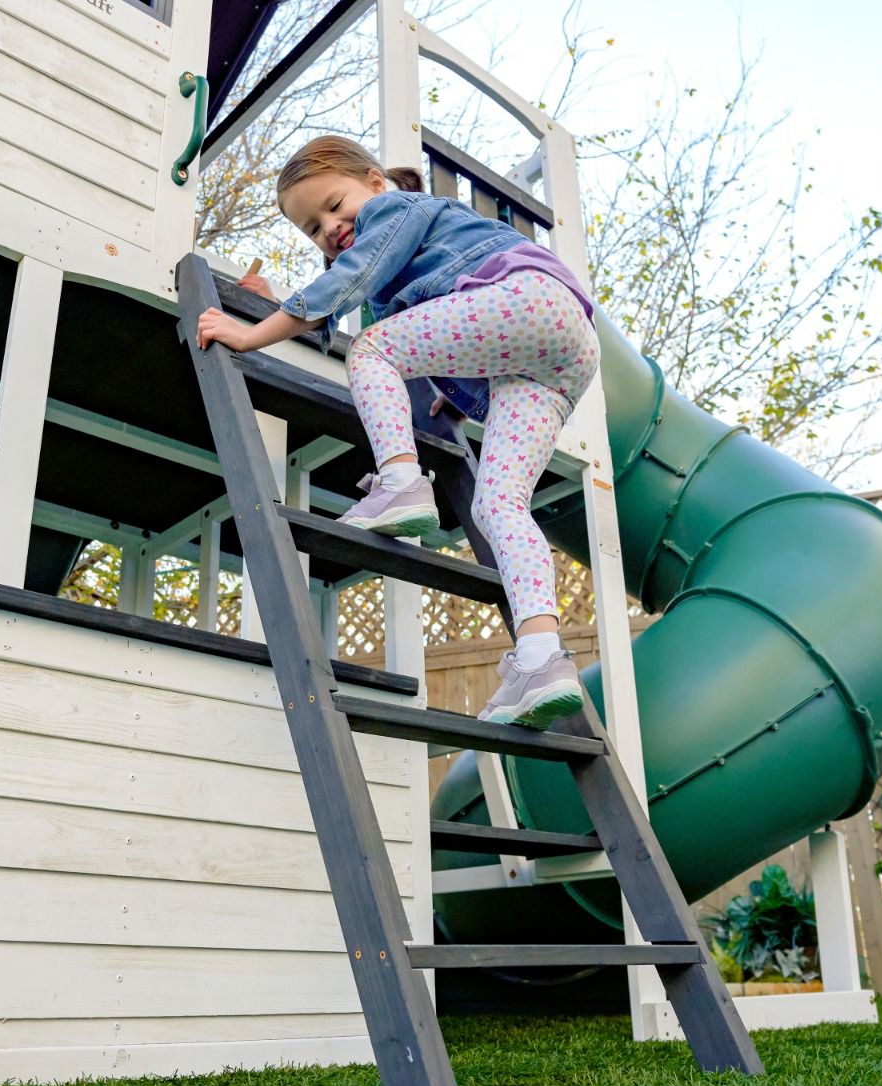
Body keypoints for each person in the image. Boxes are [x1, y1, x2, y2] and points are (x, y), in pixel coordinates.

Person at [196, 136, 600, 729]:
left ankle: (401, 481)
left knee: (374, 349)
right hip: (562, 350)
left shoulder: (399, 210)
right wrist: (273, 303)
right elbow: (372, 320)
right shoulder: (395, 270)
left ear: (376, 183)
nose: (329, 228)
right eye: (312, 228)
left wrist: (250, 332)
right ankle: (542, 658)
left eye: (335, 205)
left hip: (526, 301)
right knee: (499, 504)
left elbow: (347, 305)